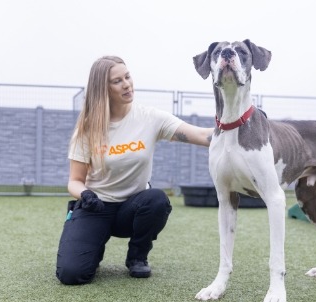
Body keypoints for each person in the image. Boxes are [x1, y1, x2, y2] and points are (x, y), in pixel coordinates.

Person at [56, 56, 212, 285]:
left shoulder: (150, 117)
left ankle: (137, 256)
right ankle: (93, 244)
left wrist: (239, 126)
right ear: (103, 88)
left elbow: (200, 135)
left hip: (133, 208)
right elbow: (74, 181)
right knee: (72, 275)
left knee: (157, 199)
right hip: (96, 207)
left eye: (127, 77)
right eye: (117, 81)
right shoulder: (88, 127)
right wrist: (85, 195)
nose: (127, 84)